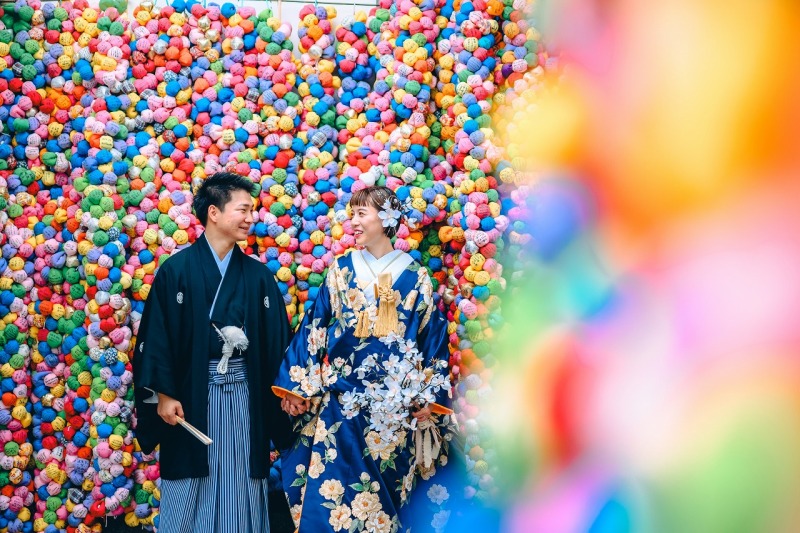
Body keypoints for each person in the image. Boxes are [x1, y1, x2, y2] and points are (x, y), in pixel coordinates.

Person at [273, 186, 456, 533]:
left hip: (395, 413)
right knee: (331, 500)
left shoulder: (415, 276)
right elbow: (315, 325)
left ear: (387, 219)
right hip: (342, 404)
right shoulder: (340, 270)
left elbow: (432, 338)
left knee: (388, 503)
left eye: (361, 214)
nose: (352, 221)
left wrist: (428, 398)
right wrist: (297, 387)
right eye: (351, 214)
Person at [133, 172, 292, 533]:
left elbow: (278, 343)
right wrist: (164, 394)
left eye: (253, 210)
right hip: (189, 396)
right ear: (214, 213)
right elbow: (155, 336)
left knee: (240, 478)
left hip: (244, 396)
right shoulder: (177, 271)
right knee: (189, 480)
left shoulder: (258, 277)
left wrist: (289, 392)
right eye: (244, 209)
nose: (252, 218)